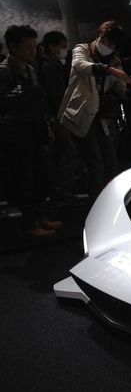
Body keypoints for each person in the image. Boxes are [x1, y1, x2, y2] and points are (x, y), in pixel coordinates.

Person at [58, 20, 131, 203]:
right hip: (81, 114)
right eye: (108, 41)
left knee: (111, 163)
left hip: (101, 116)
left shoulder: (115, 60)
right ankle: (95, 202)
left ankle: (108, 200)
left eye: (114, 45)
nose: (110, 47)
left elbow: (120, 87)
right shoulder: (82, 49)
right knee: (96, 163)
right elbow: (80, 65)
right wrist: (110, 70)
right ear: (100, 36)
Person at [0, 25, 61, 237]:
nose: (33, 51)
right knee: (23, 178)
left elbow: (37, 105)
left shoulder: (31, 70)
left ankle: (39, 216)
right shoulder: (4, 71)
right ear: (13, 46)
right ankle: (29, 223)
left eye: (34, 46)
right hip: (16, 134)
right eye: (27, 47)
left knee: (40, 175)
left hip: (34, 131)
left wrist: (46, 125)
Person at [38, 30, 83, 204]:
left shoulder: (52, 65)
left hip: (56, 117)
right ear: (51, 46)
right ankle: (61, 191)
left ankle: (58, 191)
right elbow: (56, 97)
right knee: (68, 154)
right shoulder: (49, 67)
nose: (65, 50)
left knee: (61, 155)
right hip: (58, 118)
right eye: (62, 46)